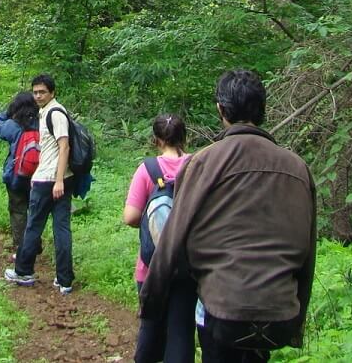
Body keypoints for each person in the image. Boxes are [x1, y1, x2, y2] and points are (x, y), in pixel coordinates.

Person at [140, 70, 316, 363]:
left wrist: (151, 304)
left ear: (221, 110)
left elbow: (172, 240)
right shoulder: (297, 168)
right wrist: (297, 322)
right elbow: (307, 251)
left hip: (221, 310)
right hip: (278, 314)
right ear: (263, 110)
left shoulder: (203, 162)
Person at [125, 114, 195, 363]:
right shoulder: (197, 166)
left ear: (156, 140)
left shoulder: (147, 169)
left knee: (150, 329)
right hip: (189, 267)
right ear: (185, 138)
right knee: (182, 333)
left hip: (151, 268)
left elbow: (130, 216)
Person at [4, 73, 75, 295]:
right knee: (60, 227)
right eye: (35, 92)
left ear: (52, 92)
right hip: (57, 179)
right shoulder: (45, 112)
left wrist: (58, 180)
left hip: (49, 180)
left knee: (35, 225)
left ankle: (24, 270)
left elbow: (65, 147)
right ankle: (64, 279)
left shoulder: (55, 113)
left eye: (42, 92)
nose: (38, 96)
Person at [0, 91, 39, 258]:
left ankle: (21, 247)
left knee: (18, 210)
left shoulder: (13, 125)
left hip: (17, 175)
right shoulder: (42, 123)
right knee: (36, 210)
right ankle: (35, 242)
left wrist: (9, 112)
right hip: (39, 175)